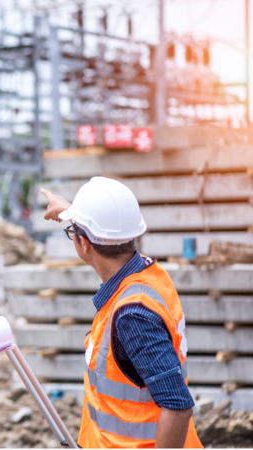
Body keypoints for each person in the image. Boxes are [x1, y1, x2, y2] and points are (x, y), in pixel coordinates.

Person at [41, 177, 202, 449]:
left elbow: (177, 406)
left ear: (83, 244)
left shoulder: (133, 315)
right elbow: (106, 227)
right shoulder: (148, 276)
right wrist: (72, 213)